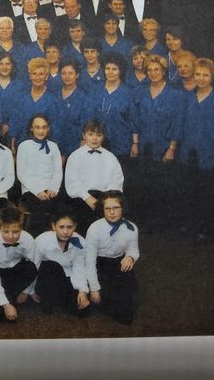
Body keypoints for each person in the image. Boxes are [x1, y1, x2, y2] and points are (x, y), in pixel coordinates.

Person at [178, 58, 214, 244]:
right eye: (198, 74)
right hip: (188, 153)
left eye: (205, 75)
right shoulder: (188, 98)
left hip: (209, 154)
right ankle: (190, 227)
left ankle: (204, 231)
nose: (201, 78)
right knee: (189, 190)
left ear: (212, 77)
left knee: (206, 193)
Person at [131, 54, 183, 225]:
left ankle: (163, 224)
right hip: (145, 147)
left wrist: (171, 148)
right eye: (150, 70)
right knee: (145, 186)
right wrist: (135, 143)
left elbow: (177, 122)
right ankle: (146, 224)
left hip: (164, 147)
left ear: (164, 71)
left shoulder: (175, 94)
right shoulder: (140, 92)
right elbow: (135, 119)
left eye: (157, 70)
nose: (153, 73)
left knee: (163, 187)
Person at [85, 190, 139, 325]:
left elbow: (134, 250)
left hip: (118, 261)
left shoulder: (131, 227)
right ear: (102, 210)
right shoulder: (94, 229)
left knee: (128, 290)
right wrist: (94, 289)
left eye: (116, 208)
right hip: (99, 263)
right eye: (107, 208)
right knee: (102, 299)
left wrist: (130, 257)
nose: (112, 212)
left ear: (123, 208)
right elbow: (90, 261)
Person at [0, 204, 38, 323]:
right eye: (6, 231)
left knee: (31, 267)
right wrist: (5, 304)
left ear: (21, 228)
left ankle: (12, 295)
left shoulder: (28, 240)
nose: (11, 236)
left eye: (15, 232)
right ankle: (8, 300)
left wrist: (26, 291)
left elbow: (35, 264)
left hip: (13, 269)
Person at [64, 120, 124, 230]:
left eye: (99, 135)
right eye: (90, 134)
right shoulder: (75, 156)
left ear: (103, 137)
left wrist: (108, 199)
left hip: (105, 197)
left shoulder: (110, 157)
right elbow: (72, 182)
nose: (94, 138)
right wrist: (87, 198)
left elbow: (116, 180)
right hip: (82, 197)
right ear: (84, 135)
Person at [34, 208, 90, 317]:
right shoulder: (42, 240)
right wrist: (30, 291)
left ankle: (60, 299)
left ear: (75, 226)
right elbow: (34, 265)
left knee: (83, 310)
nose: (65, 232)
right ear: (53, 226)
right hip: (46, 279)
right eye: (61, 227)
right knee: (52, 266)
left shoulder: (80, 242)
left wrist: (82, 291)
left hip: (66, 279)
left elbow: (79, 268)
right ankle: (48, 299)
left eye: (69, 227)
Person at [17, 114, 64, 235]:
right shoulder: (24, 146)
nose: (41, 131)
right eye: (37, 127)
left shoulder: (53, 146)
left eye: (44, 127)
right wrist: (37, 191)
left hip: (50, 191)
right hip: (31, 191)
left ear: (48, 128)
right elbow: (21, 174)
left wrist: (54, 188)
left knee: (62, 209)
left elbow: (57, 171)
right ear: (31, 128)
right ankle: (37, 239)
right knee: (40, 209)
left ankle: (56, 239)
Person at [8, 57, 62, 151]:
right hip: (22, 146)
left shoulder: (53, 100)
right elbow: (14, 123)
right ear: (30, 76)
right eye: (34, 74)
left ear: (47, 76)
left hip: (44, 148)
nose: (37, 77)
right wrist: (12, 147)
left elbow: (56, 128)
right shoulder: (21, 97)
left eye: (41, 74)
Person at [91, 52, 134, 159]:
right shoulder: (95, 89)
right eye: (107, 68)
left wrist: (135, 143)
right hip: (97, 143)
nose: (110, 72)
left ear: (120, 71)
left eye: (114, 69)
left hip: (121, 143)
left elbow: (133, 120)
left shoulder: (128, 92)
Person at [57, 59, 94, 157]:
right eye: (64, 73)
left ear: (77, 75)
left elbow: (86, 124)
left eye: (70, 73)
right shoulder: (55, 95)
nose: (67, 77)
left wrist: (83, 142)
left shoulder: (83, 97)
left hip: (75, 145)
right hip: (55, 144)